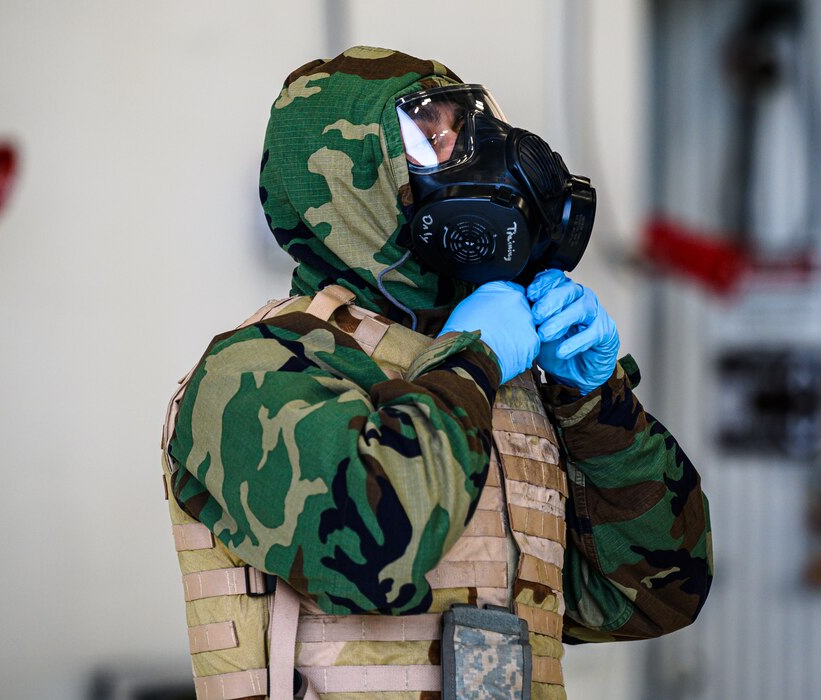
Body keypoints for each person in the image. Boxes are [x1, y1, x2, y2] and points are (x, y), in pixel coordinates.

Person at [161, 46, 711, 700]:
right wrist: (473, 358)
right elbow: (376, 551)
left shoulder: (505, 385)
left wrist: (594, 404)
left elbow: (656, 594)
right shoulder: (250, 373)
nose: (475, 154)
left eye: (464, 129)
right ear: (355, 175)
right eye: (436, 136)